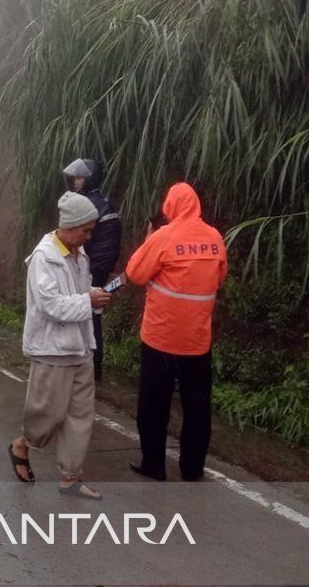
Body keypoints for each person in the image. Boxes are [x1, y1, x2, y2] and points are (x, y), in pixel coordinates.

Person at [8, 191, 110, 500]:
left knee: (80, 414)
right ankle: (22, 444)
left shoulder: (80, 255)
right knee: (47, 415)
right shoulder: (45, 257)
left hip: (80, 347)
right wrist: (87, 300)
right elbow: (50, 304)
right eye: (86, 230)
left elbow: (75, 294)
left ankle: (71, 477)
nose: (89, 237)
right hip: (52, 348)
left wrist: (94, 296)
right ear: (71, 224)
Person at [125, 182, 227, 482]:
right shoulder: (214, 237)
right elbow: (219, 278)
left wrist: (147, 241)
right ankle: (192, 468)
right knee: (197, 407)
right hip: (197, 341)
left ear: (171, 206)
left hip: (160, 338)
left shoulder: (163, 237)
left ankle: (154, 465)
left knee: (153, 405)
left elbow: (135, 274)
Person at [62, 159, 123, 383]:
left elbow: (94, 244)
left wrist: (88, 273)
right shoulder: (101, 203)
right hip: (94, 270)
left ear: (90, 178)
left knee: (89, 317)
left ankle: (90, 369)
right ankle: (91, 370)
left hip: (90, 271)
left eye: (80, 178)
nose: (76, 182)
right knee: (90, 316)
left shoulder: (91, 206)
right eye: (76, 178)